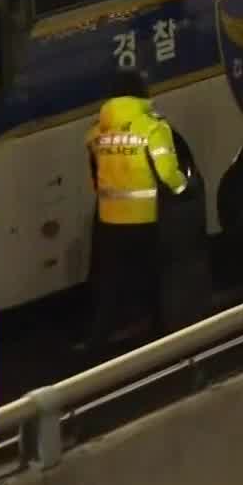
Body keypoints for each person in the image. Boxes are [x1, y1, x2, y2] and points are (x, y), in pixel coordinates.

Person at [82, 68, 189, 350]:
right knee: (150, 275)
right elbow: (167, 173)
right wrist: (182, 189)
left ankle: (98, 338)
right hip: (144, 218)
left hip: (109, 218)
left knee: (111, 279)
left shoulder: (97, 131)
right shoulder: (153, 127)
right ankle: (158, 332)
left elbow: (95, 172)